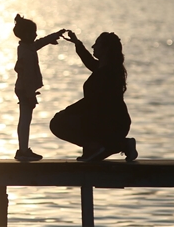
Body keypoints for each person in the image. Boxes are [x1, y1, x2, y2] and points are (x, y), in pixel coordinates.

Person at [50, 30, 138, 162]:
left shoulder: (105, 74)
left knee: (57, 123)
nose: (93, 47)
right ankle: (121, 145)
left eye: (97, 44)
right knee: (79, 121)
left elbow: (91, 103)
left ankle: (100, 147)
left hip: (111, 124)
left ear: (106, 49)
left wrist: (67, 111)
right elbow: (89, 62)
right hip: (116, 123)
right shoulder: (107, 69)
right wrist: (77, 43)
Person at [12, 14, 67, 161]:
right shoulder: (26, 53)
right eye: (33, 32)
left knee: (24, 119)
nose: (36, 35)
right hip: (25, 89)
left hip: (23, 89)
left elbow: (39, 43)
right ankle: (23, 150)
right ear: (26, 34)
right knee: (25, 120)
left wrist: (53, 36)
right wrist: (30, 95)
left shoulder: (26, 47)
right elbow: (27, 76)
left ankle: (23, 149)